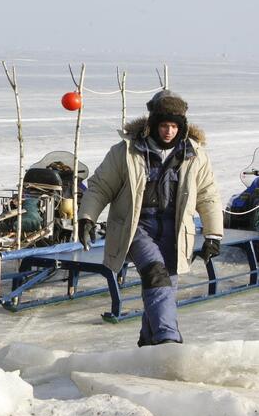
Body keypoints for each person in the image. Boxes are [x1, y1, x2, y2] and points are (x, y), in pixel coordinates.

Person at [78, 91, 223, 347]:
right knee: (156, 274)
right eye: (164, 125)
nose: (169, 131)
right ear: (153, 124)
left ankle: (148, 342)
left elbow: (208, 195)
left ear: (182, 127)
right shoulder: (126, 152)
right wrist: (87, 217)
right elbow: (100, 187)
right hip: (137, 226)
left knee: (165, 289)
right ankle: (168, 339)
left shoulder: (194, 155)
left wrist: (212, 235)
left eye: (174, 126)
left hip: (176, 230)